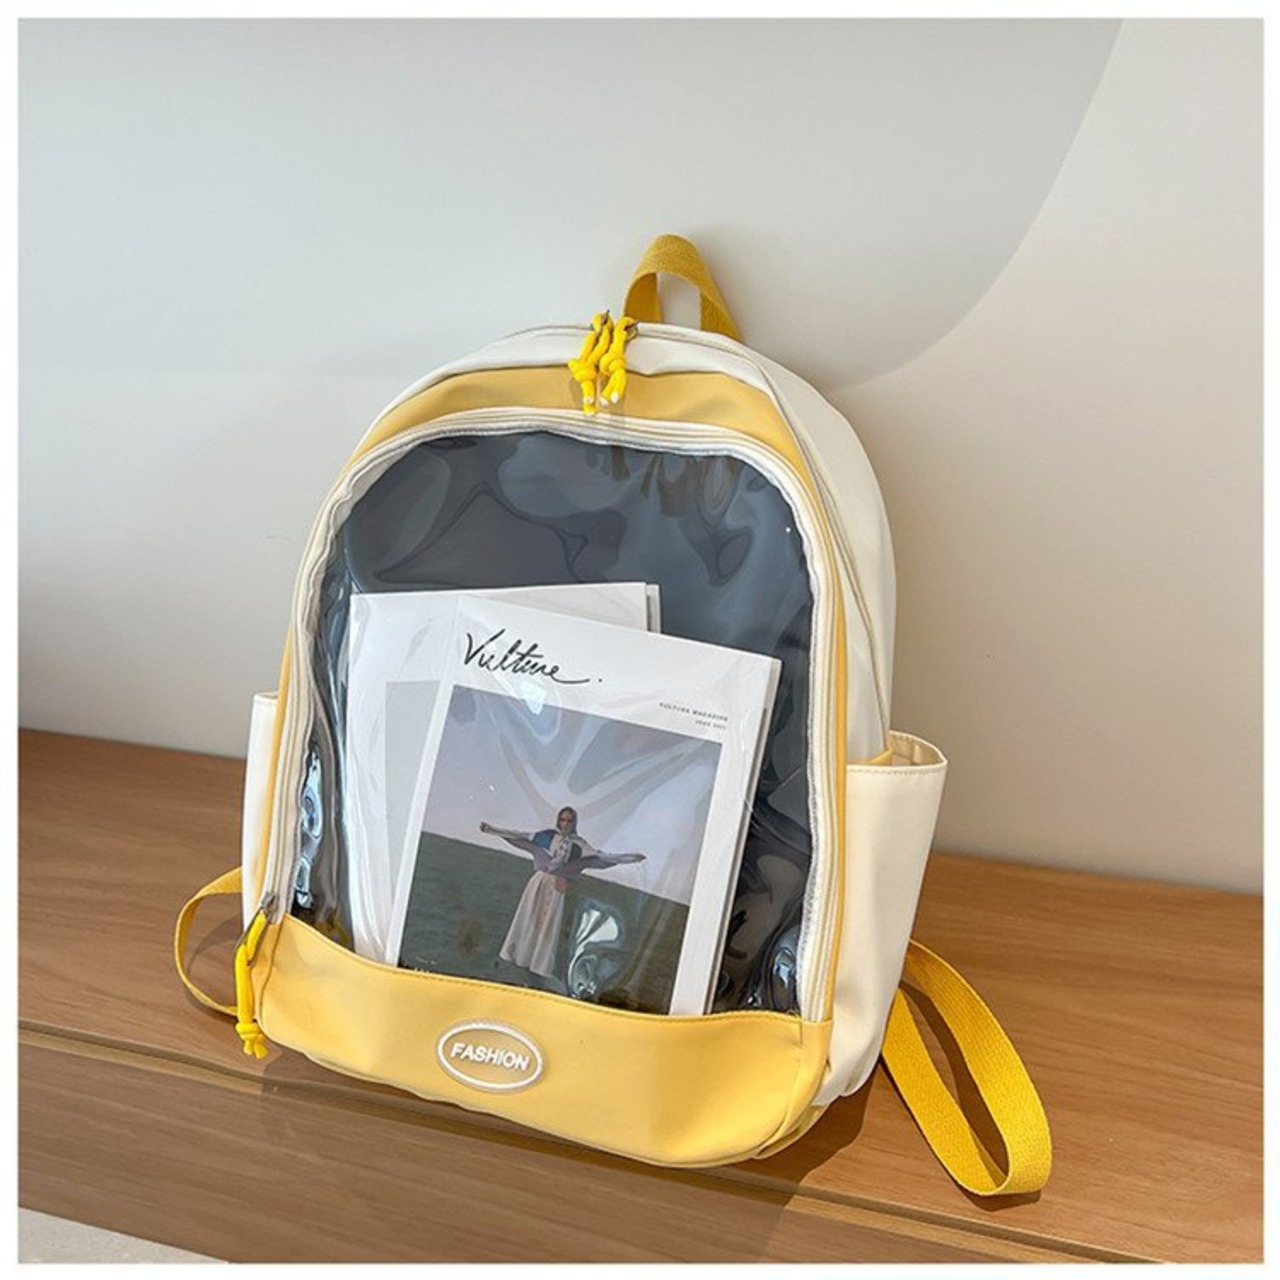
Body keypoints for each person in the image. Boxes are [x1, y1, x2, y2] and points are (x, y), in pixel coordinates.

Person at [479, 806, 645, 979]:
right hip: (538, 884)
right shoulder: (546, 837)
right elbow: (519, 838)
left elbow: (601, 858)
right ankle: (516, 955)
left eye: (569, 820)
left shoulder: (580, 846)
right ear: (558, 820)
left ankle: (538, 964)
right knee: (528, 918)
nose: (565, 824)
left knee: (548, 927)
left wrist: (629, 858)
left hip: (558, 888)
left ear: (574, 823)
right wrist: (493, 830)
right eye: (562, 820)